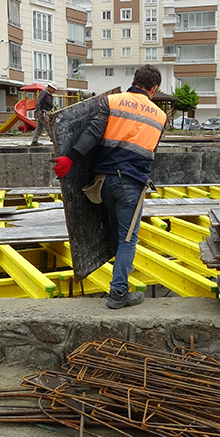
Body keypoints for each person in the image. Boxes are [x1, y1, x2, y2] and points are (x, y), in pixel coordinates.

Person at [52, 65, 167, 309]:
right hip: (131, 184)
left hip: (103, 182)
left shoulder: (112, 101)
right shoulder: (160, 116)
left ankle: (121, 268)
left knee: (116, 227)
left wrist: (70, 158)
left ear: (134, 80)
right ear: (154, 89)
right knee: (128, 238)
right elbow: (150, 152)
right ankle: (118, 293)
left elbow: (92, 133)